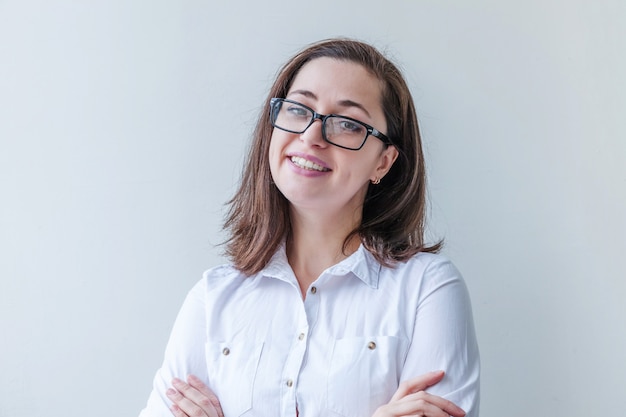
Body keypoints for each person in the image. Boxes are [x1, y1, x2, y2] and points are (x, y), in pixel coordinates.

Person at [139, 38, 480, 417]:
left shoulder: (427, 290)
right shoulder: (212, 298)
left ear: (383, 162)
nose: (312, 136)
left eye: (348, 123)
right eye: (299, 109)